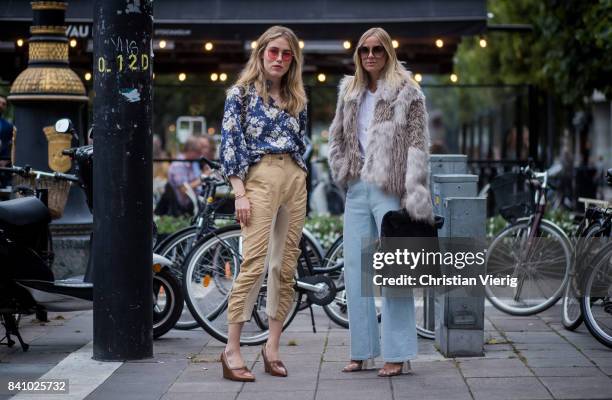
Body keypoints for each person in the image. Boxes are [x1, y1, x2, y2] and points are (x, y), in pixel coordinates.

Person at [328, 27, 434, 377]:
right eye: (364, 50)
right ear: (358, 55)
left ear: (388, 52)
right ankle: (361, 351)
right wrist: (342, 168)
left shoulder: (407, 92)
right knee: (355, 271)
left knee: (394, 274)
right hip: (358, 187)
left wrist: (414, 192)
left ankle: (397, 353)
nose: (370, 55)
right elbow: (339, 136)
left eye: (377, 49)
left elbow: (418, 144)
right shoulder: (350, 91)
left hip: (390, 188)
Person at [219, 25, 308, 382]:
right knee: (254, 264)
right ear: (260, 54)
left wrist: (299, 176)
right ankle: (231, 349)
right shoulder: (239, 94)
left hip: (294, 178)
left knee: (285, 266)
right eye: (273, 52)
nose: (279, 59)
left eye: (286, 54)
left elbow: (301, 143)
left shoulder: (297, 98)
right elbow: (230, 144)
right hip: (259, 177)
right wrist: (239, 191)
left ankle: (272, 347)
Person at [166, 137, 204, 214]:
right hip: (184, 209)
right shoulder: (178, 165)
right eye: (198, 152)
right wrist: (203, 178)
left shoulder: (193, 163)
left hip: (196, 203)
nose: (200, 155)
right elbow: (184, 190)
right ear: (190, 151)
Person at [0, 95, 14, 187]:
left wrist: (6, 161)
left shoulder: (8, 126)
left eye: (3, 104)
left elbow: (11, 145)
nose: (0, 105)